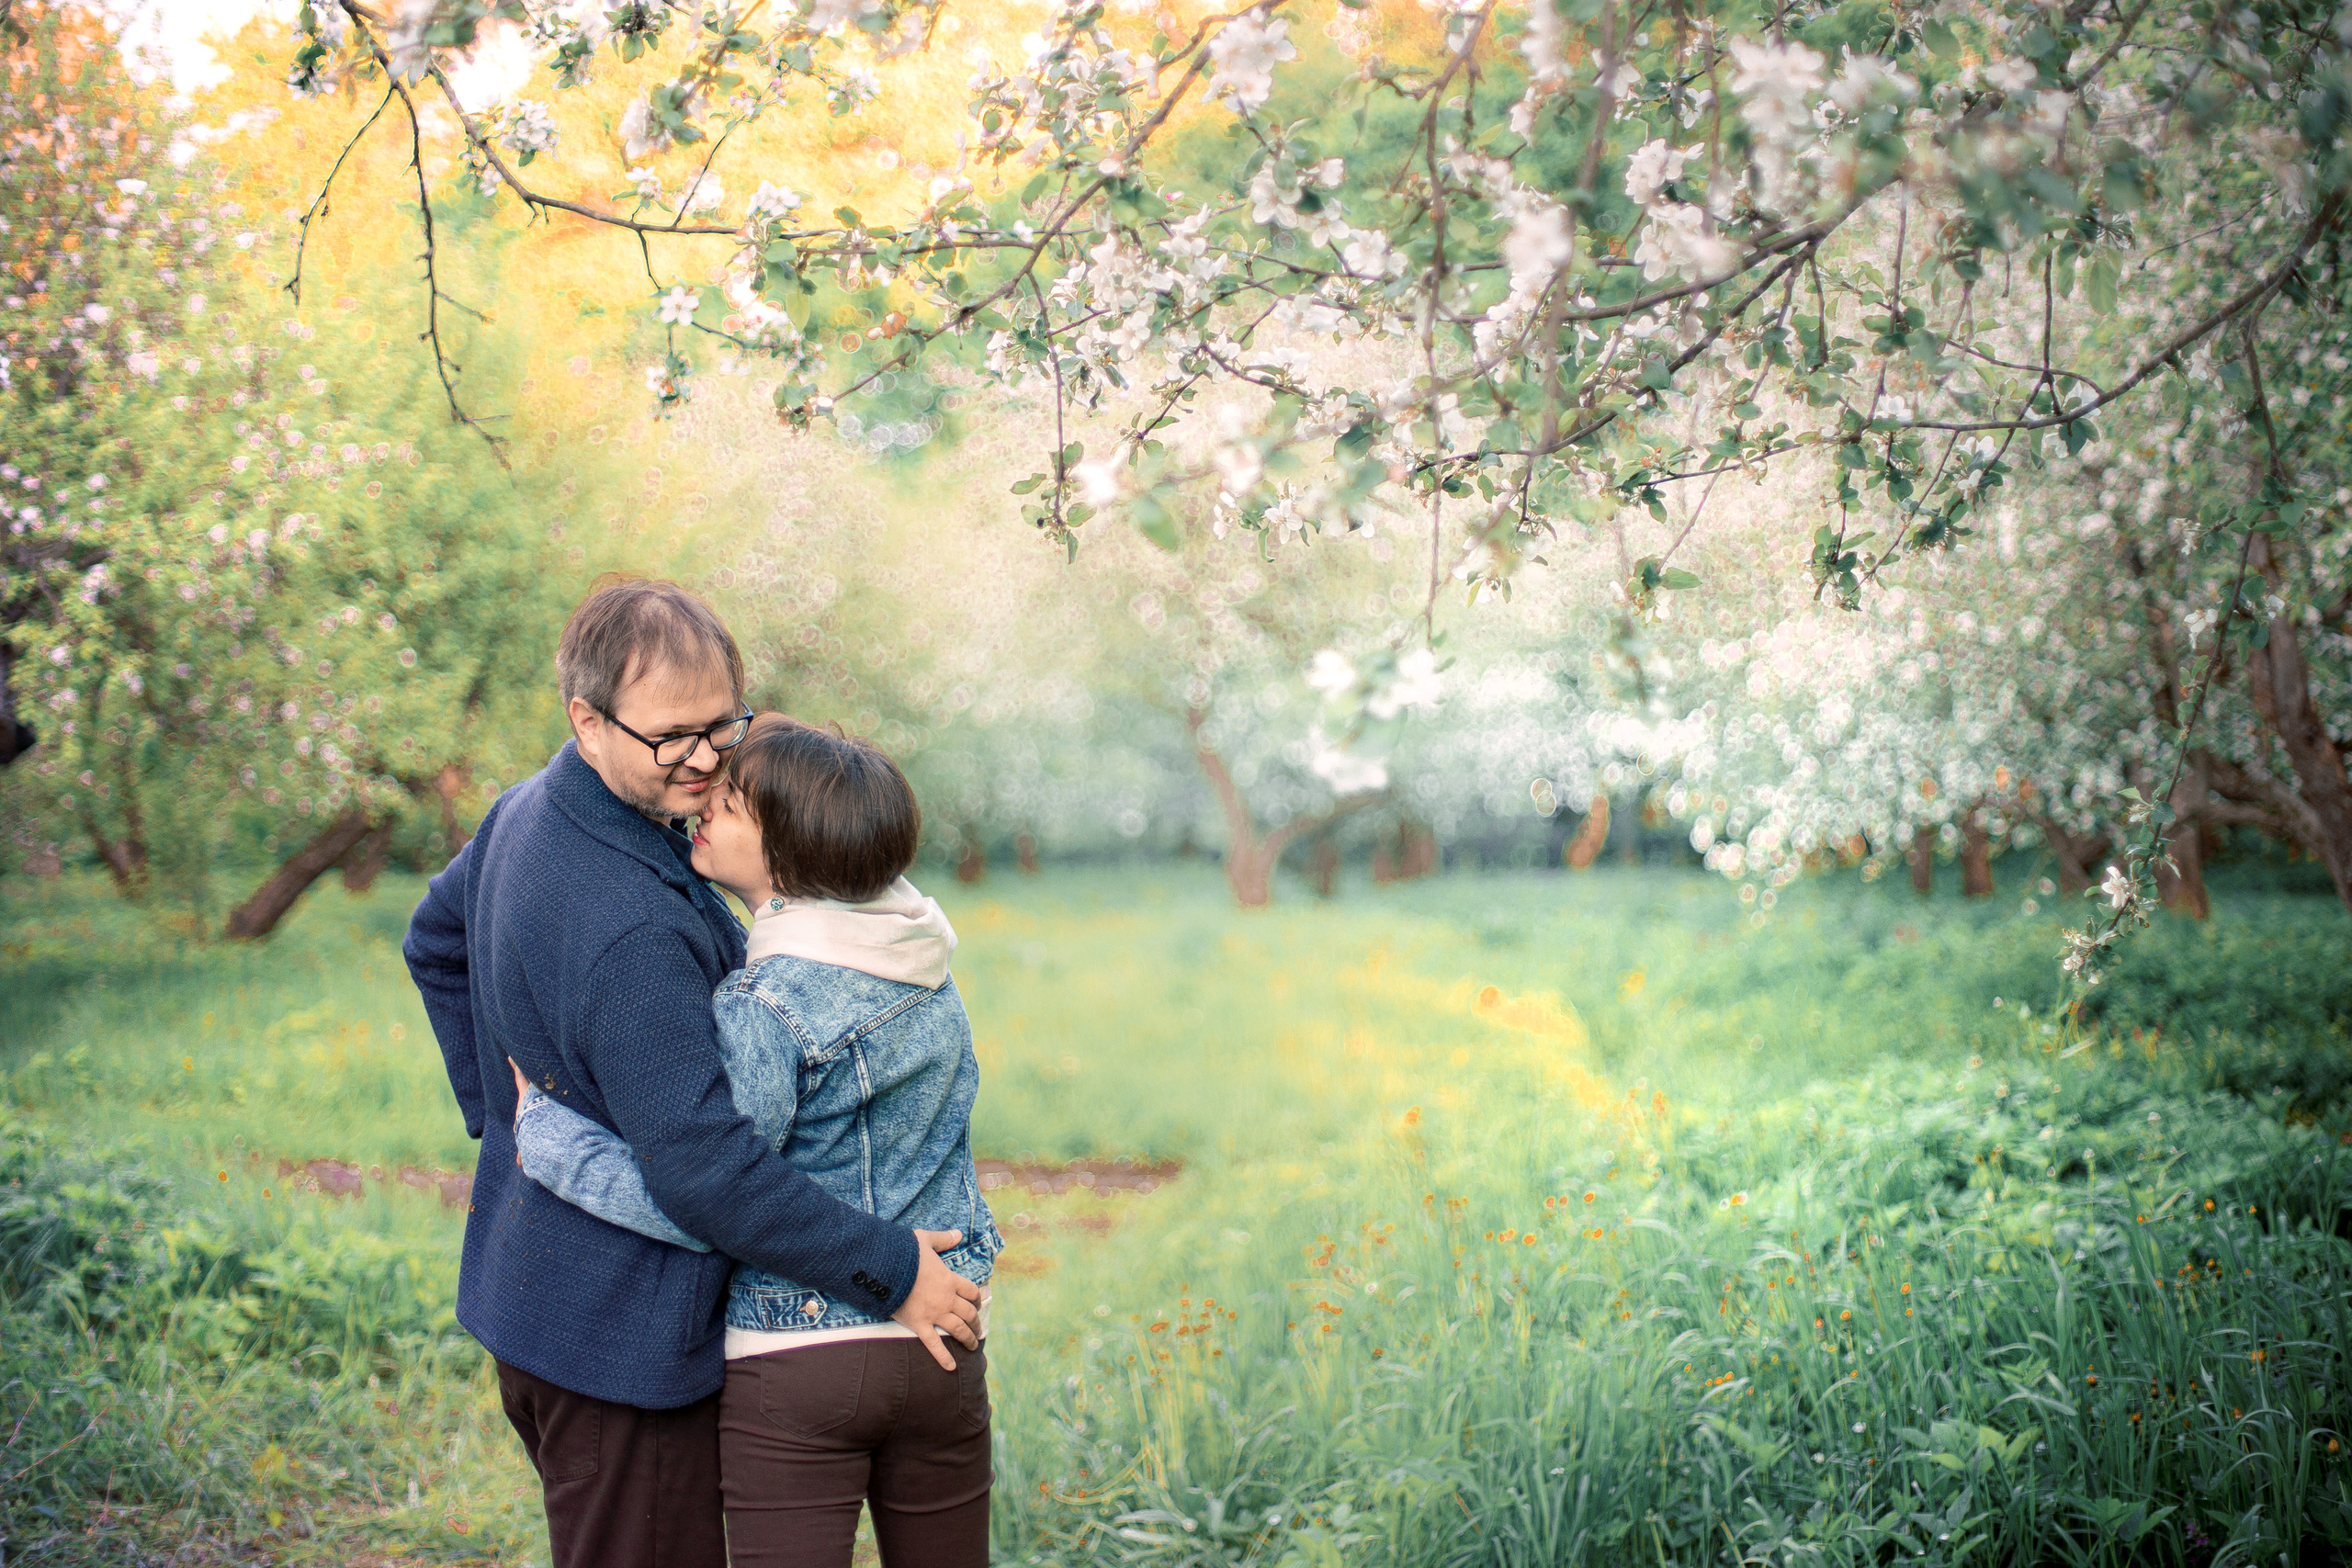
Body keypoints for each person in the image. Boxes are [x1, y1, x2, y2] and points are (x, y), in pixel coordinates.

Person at [402, 579, 982, 1568]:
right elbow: (708, 1169)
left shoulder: (528, 809)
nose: (707, 761)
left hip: (539, 1291)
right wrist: (890, 1270)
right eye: (674, 736)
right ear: (587, 721)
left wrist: (502, 1111)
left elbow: (434, 938)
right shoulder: (636, 928)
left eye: (724, 726)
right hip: (622, 1336)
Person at [510, 716, 1000, 1568]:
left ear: (789, 851)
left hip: (799, 1352)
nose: (705, 810)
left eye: (731, 806)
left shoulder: (767, 1005)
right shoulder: (928, 965)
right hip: (945, 1344)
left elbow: (709, 1195)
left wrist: (552, 1141)